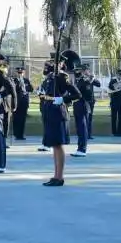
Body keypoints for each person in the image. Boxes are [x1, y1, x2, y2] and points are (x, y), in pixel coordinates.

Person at [41, 51, 81, 187]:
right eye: (51, 61)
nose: (52, 63)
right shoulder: (50, 77)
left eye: (55, 62)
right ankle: (55, 175)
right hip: (50, 112)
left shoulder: (62, 77)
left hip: (58, 113)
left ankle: (59, 176)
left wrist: (63, 99)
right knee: (54, 145)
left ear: (62, 64)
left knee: (58, 145)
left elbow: (77, 94)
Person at [73, 64, 97, 156]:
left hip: (83, 106)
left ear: (81, 71)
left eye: (78, 70)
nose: (76, 72)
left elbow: (88, 96)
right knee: (79, 129)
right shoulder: (78, 81)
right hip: (77, 106)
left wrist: (91, 80)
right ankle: (79, 148)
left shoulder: (85, 81)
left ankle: (82, 149)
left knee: (83, 129)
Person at [11, 66, 32, 141]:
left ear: (24, 73)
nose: (20, 74)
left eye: (21, 72)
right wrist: (19, 82)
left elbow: (31, 89)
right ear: (16, 73)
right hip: (16, 102)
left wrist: (25, 86)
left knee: (23, 119)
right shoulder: (14, 80)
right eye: (19, 72)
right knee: (16, 119)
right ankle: (16, 134)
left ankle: (21, 134)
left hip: (24, 102)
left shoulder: (26, 80)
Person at [108, 69, 121, 137]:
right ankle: (114, 132)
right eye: (119, 74)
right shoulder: (113, 81)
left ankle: (120, 132)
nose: (120, 75)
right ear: (116, 74)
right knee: (114, 118)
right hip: (114, 102)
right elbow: (109, 91)